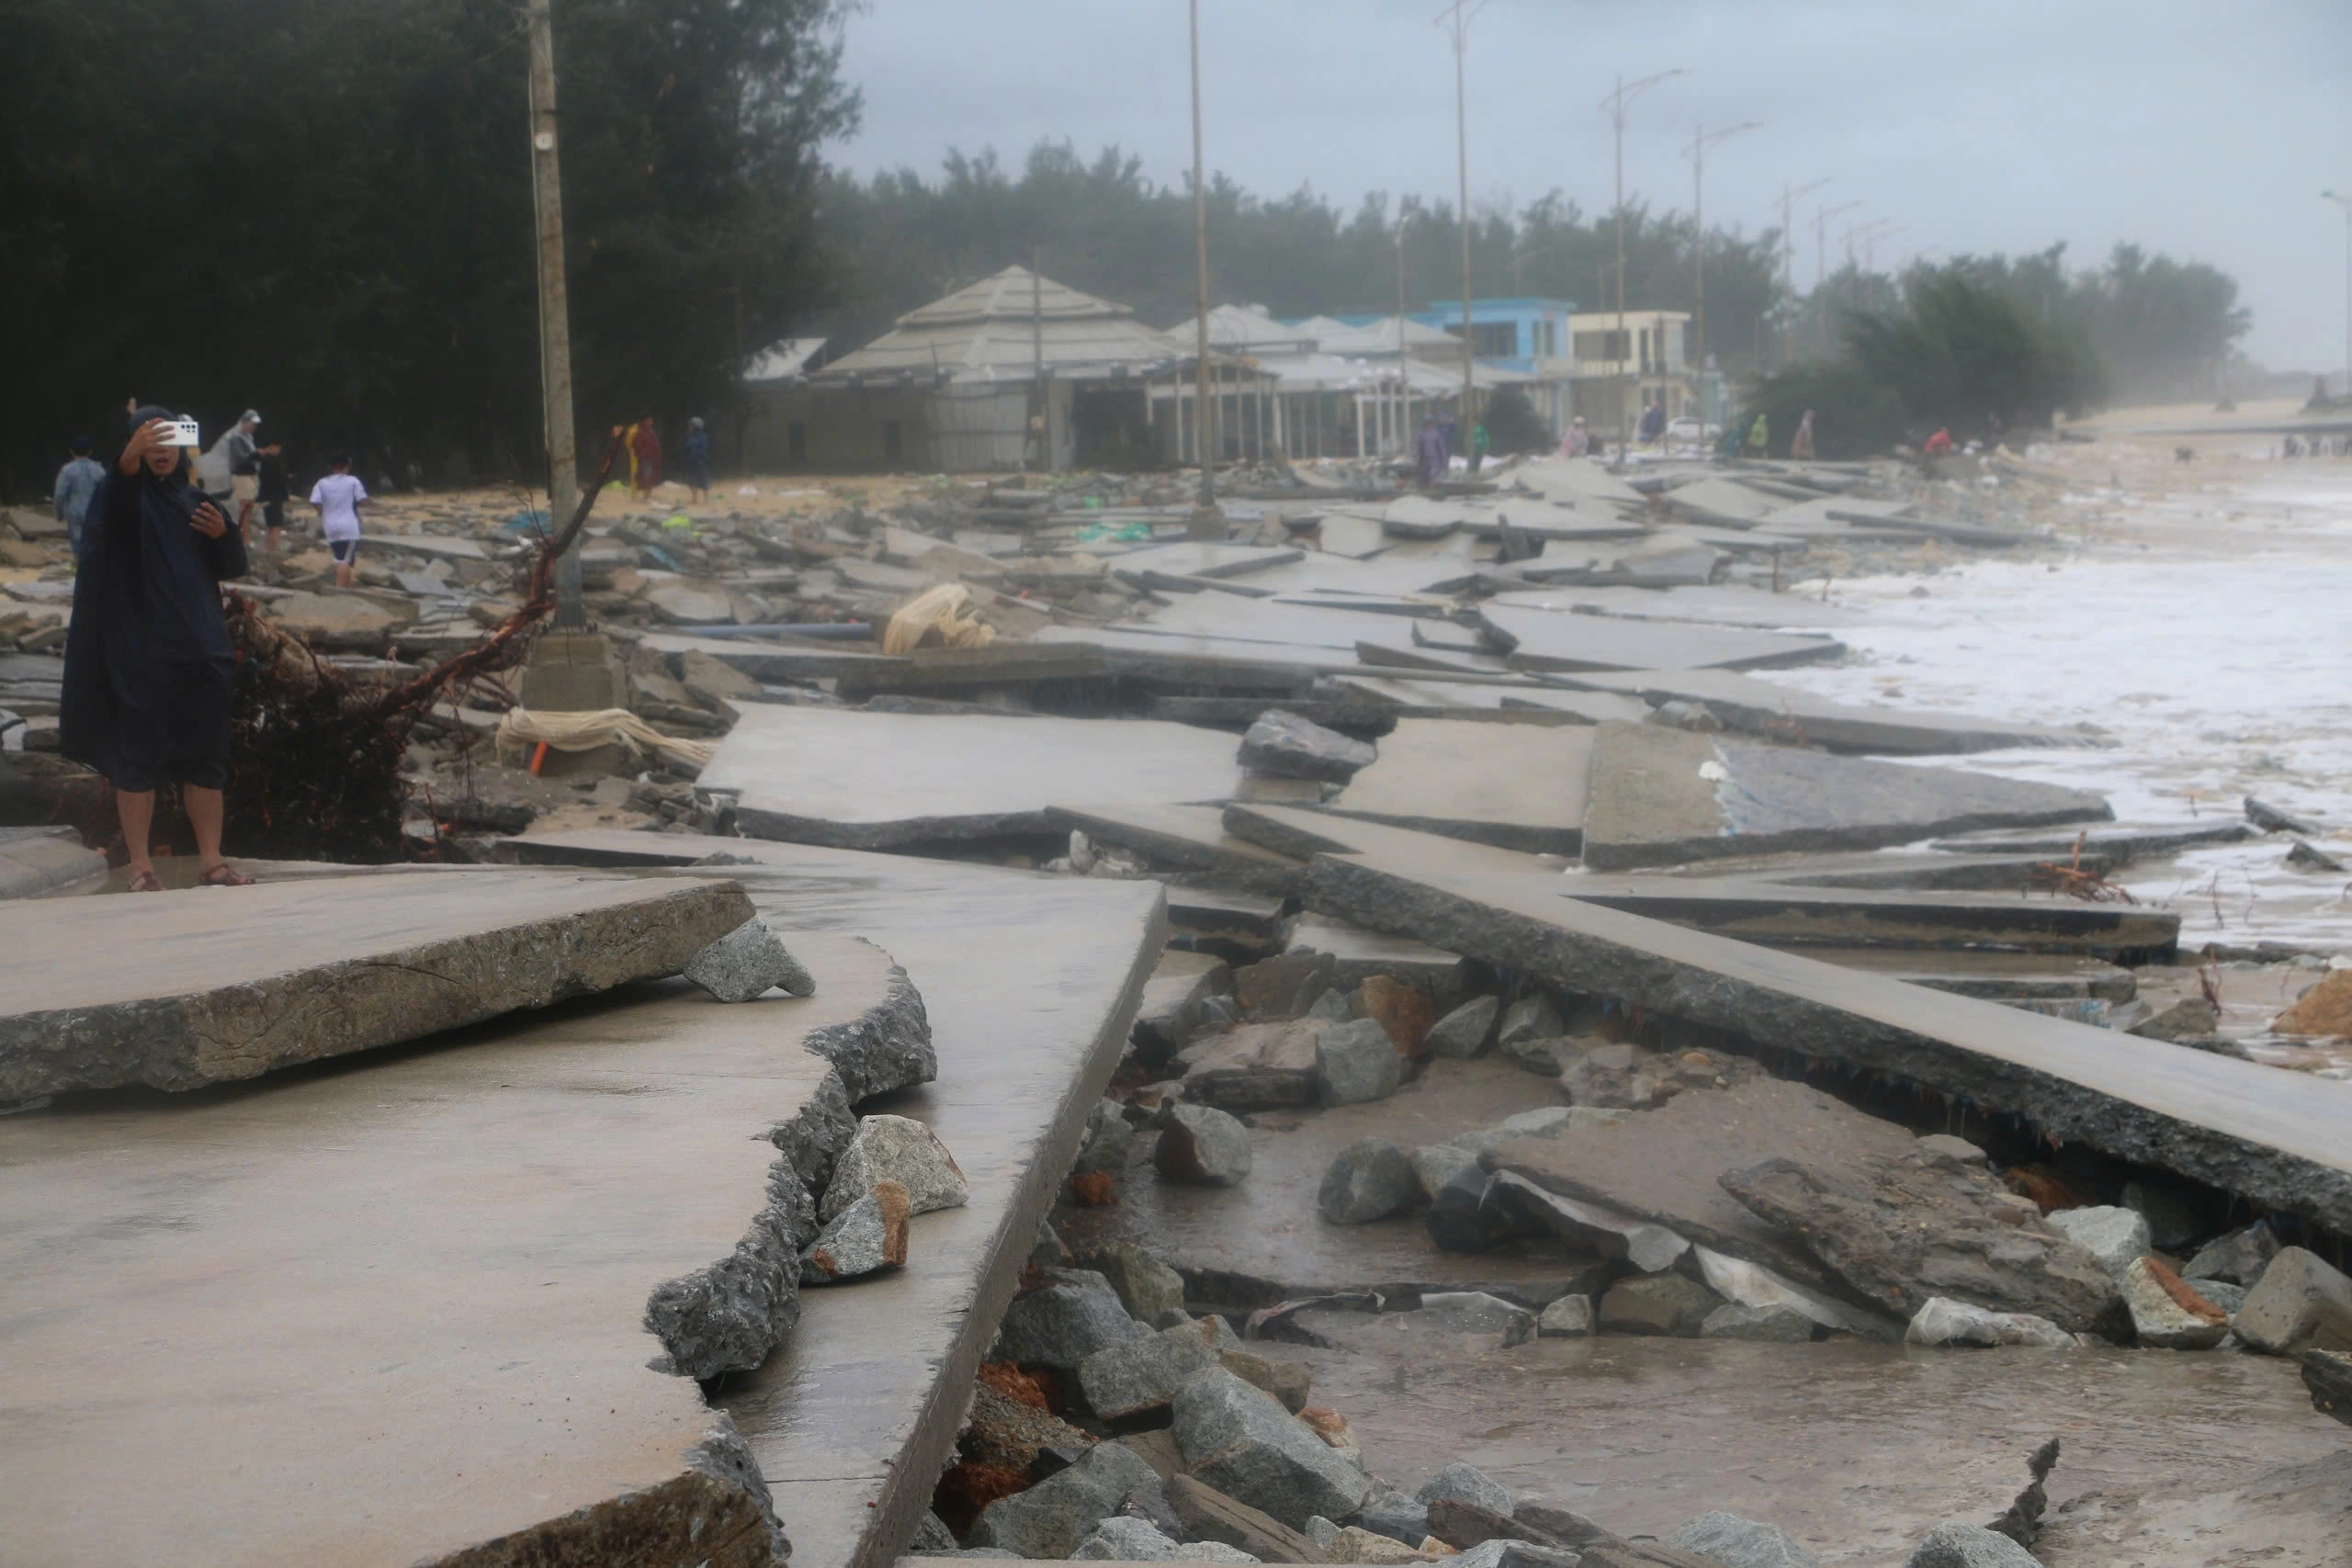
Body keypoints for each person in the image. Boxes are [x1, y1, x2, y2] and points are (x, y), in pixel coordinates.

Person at [60, 408, 253, 892]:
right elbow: (119, 487)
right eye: (152, 442)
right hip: (140, 654)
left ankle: (212, 861)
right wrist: (131, 454)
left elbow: (234, 564)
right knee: (137, 763)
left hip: (202, 651)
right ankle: (142, 868)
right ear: (134, 447)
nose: (162, 452)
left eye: (170, 442)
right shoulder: (119, 501)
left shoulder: (195, 501)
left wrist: (223, 536)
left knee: (207, 761)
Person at [309, 452, 369, 588]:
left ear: (331, 467)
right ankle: (340, 590)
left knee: (339, 558)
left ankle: (345, 588)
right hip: (349, 527)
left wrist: (321, 511)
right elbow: (363, 500)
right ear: (347, 466)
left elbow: (313, 501)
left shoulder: (322, 482)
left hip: (330, 526)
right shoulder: (353, 481)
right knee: (345, 560)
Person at [53, 435, 107, 561]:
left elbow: (59, 495)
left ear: (71, 451)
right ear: (90, 451)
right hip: (95, 514)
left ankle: (79, 571)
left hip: (74, 513)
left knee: (78, 546)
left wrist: (59, 514)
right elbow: (106, 493)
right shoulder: (99, 470)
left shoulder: (67, 470)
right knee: (95, 544)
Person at [226, 410, 263, 541]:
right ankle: (241, 540)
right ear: (245, 422)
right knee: (243, 509)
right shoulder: (235, 437)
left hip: (251, 475)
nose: (254, 427)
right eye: (252, 423)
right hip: (242, 476)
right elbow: (240, 457)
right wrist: (257, 454)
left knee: (248, 509)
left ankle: (246, 539)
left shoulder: (249, 438)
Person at [255, 439, 289, 555]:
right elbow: (279, 479)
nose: (279, 450)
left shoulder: (262, 461)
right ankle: (273, 550)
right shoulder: (272, 461)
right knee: (276, 525)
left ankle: (268, 549)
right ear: (272, 446)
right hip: (274, 497)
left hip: (265, 497)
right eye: (278, 447)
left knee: (270, 525)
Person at [629, 416, 663, 500]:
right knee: (645, 477)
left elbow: (655, 446)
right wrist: (643, 454)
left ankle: (647, 496)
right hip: (645, 459)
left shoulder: (651, 432)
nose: (651, 422)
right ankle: (644, 497)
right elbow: (636, 445)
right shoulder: (640, 433)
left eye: (651, 421)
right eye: (649, 421)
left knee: (650, 477)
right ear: (644, 421)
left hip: (653, 459)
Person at [682, 415, 713, 502]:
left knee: (700, 480)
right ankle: (697, 498)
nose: (689, 428)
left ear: (695, 427)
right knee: (695, 481)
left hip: (698, 463)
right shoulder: (694, 437)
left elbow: (700, 449)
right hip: (695, 463)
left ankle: (703, 499)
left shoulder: (699, 437)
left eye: (691, 426)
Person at [1413, 414, 1445, 488]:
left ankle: (1431, 487)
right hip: (1424, 459)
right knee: (1423, 476)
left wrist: (1443, 459)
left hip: (1434, 459)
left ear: (1432, 423)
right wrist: (1415, 454)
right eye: (1427, 422)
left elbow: (1441, 448)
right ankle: (1424, 489)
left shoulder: (1436, 434)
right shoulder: (1421, 434)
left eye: (1430, 422)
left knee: (1432, 475)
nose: (1429, 424)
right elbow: (1417, 445)